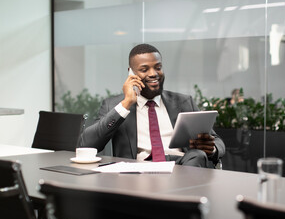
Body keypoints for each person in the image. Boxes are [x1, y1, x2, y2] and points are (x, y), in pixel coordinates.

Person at [79, 44, 225, 168]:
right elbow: (87, 144)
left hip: (181, 168)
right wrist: (126, 103)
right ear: (131, 73)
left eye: (158, 67)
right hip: (138, 171)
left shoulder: (183, 102)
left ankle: (182, 200)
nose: (153, 73)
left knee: (197, 155)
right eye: (144, 69)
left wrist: (211, 148)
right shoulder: (114, 105)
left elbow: (217, 141)